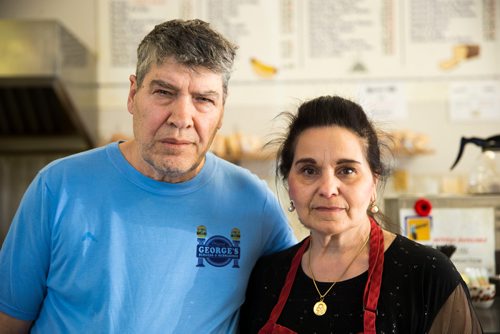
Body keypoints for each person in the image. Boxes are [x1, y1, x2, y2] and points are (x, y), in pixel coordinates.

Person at [0, 19, 296, 333]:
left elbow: (305, 289)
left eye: (204, 99)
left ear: (221, 111)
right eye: (164, 92)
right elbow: (8, 321)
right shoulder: (57, 187)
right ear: (133, 94)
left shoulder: (253, 202)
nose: (181, 118)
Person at [239, 95, 482, 333]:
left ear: (373, 182)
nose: (327, 189)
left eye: (346, 170)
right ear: (288, 181)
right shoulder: (268, 277)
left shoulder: (426, 276)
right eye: (309, 170)